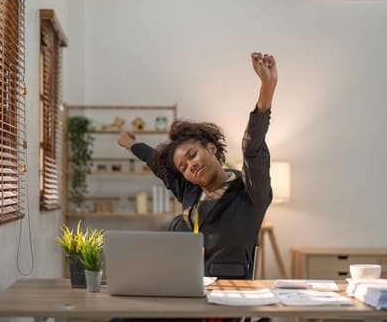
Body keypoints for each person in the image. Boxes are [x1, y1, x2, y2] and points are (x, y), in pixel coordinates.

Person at [118, 52, 277, 280]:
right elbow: (155, 162)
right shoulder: (190, 191)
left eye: (192, 156)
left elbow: (253, 149)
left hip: (227, 294)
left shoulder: (250, 191)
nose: (189, 167)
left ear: (211, 148)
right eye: (183, 167)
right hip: (183, 285)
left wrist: (267, 89)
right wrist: (128, 142)